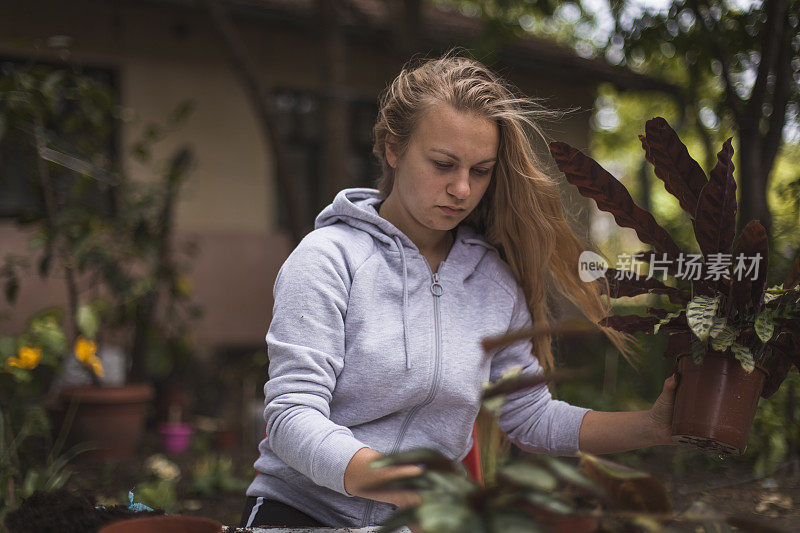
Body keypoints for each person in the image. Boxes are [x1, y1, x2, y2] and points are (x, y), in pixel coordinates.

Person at [241, 53, 677, 529]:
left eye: (482, 170)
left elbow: (530, 417)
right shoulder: (329, 258)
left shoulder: (493, 283)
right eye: (443, 164)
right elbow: (290, 416)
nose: (463, 190)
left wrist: (654, 425)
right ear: (393, 148)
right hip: (300, 514)